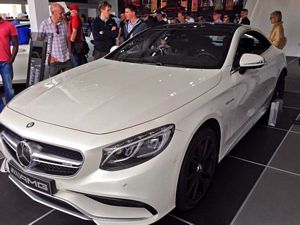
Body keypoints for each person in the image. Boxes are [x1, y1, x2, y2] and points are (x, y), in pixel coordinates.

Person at [39, 3, 72, 77]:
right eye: (61, 13)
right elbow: (39, 43)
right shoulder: (44, 24)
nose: (63, 15)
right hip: (54, 61)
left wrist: (69, 51)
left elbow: (67, 38)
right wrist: (48, 57)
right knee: (55, 83)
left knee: (69, 81)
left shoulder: (63, 22)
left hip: (66, 59)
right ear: (53, 13)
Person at [0, 16, 18, 111]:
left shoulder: (9, 25)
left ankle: (10, 110)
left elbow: (15, 44)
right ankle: (1, 110)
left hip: (5, 63)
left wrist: (12, 59)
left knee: (9, 89)